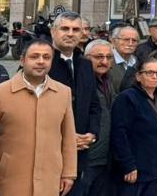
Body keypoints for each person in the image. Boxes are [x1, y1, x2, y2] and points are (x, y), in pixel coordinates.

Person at [0, 40, 75, 196]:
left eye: (46, 57)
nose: (41, 61)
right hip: (10, 176)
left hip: (50, 175)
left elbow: (68, 136)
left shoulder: (63, 92)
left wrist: (69, 173)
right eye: (34, 56)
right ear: (22, 60)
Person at [110, 53, 157, 196]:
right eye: (149, 72)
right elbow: (119, 134)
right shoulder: (127, 98)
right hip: (136, 168)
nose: (154, 76)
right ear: (138, 76)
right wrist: (128, 165)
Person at [48, 12, 100, 196]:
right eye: (65, 28)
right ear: (53, 31)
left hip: (80, 154)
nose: (70, 34)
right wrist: (67, 138)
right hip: (49, 156)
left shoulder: (85, 64)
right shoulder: (42, 61)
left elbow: (94, 105)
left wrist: (91, 134)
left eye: (76, 29)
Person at [77, 39, 114, 196]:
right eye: (98, 57)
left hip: (105, 157)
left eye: (108, 57)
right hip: (86, 157)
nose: (104, 61)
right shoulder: (80, 81)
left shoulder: (108, 80)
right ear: (86, 58)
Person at [110, 26, 139, 93]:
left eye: (134, 40)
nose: (130, 43)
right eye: (126, 39)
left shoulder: (138, 62)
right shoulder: (107, 61)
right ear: (114, 41)